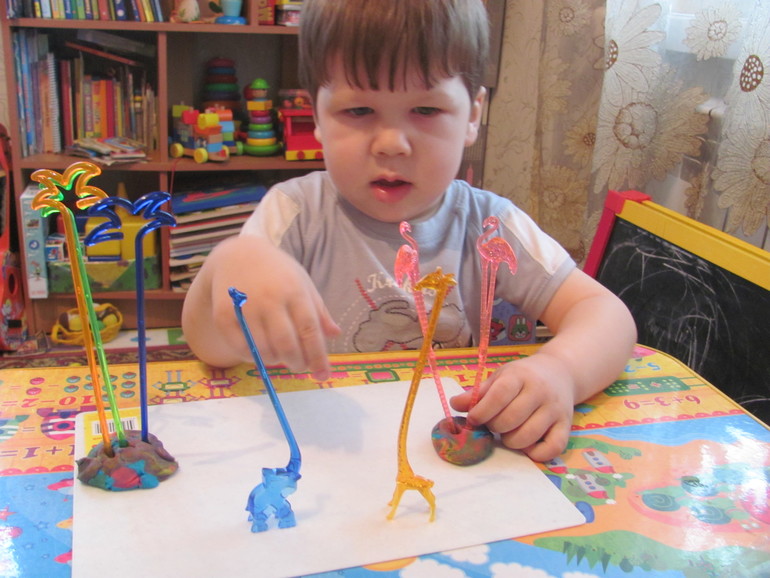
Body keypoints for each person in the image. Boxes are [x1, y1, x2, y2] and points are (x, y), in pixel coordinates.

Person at [182, 0, 637, 462]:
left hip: (448, 470)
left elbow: (606, 314)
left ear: (472, 115)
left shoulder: (490, 225)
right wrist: (228, 264)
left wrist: (560, 370)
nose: (391, 143)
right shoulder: (294, 214)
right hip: (328, 458)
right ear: (315, 116)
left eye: (425, 109)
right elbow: (211, 349)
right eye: (358, 110)